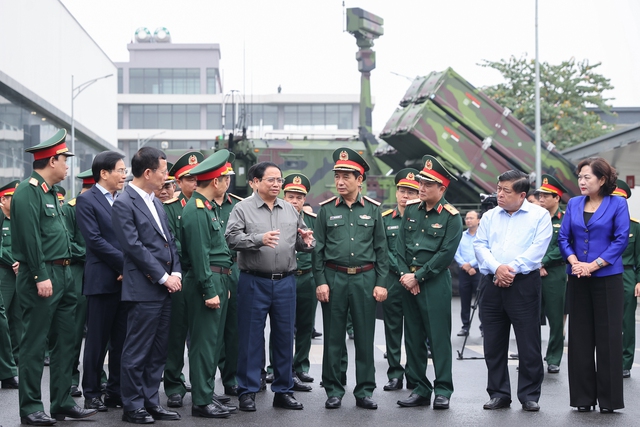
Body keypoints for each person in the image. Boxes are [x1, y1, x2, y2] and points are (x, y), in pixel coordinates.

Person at [11, 129, 97, 424]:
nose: (67, 165)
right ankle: (31, 408)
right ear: (51, 160)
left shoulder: (52, 194)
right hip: (43, 275)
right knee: (35, 343)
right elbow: (30, 238)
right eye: (64, 159)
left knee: (67, 340)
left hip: (64, 274)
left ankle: (61, 401)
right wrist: (39, 275)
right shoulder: (27, 191)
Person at [225, 161, 315, 412]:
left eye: (279, 180)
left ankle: (283, 390)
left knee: (285, 337)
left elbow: (300, 240)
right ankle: (248, 391)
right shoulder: (242, 209)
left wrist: (306, 241)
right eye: (271, 180)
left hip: (286, 281)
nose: (277, 184)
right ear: (254, 182)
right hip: (254, 280)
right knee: (251, 338)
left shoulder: (289, 209)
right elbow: (231, 238)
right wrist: (258, 239)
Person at [314, 147, 388, 410]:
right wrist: (320, 281)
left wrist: (381, 283)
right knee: (333, 339)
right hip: (334, 279)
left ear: (360, 180)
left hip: (365, 279)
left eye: (347, 176)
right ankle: (333, 389)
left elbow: (382, 251)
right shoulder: (325, 211)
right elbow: (317, 251)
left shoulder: (373, 210)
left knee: (365, 338)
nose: (340, 181)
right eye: (337, 176)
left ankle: (365, 390)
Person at [112, 147, 182, 423]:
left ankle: (151, 401)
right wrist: (164, 276)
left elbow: (170, 242)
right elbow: (133, 247)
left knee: (158, 350)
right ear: (149, 172)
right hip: (145, 287)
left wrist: (175, 271)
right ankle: (132, 405)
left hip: (165, 286)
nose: (167, 177)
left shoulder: (157, 202)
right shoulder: (124, 202)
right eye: (164, 171)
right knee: (137, 350)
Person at [474, 170, 552, 412]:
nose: (499, 194)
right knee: (494, 343)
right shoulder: (489, 216)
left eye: (506, 191)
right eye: (498, 188)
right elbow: (480, 245)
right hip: (491, 283)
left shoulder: (539, 216)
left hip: (524, 284)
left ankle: (529, 395)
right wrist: (498, 268)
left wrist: (511, 270)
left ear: (522, 195)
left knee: (528, 343)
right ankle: (498, 393)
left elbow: (537, 249)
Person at [558, 157, 629, 413]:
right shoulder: (574, 203)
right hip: (577, 277)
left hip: (607, 279)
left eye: (587, 177)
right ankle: (582, 398)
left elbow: (620, 240)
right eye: (580, 177)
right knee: (579, 338)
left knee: (608, 338)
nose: (582, 182)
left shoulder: (617, 204)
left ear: (602, 179)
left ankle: (609, 401)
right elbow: (564, 237)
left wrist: (594, 265)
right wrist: (575, 261)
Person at [394, 156, 462, 410]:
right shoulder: (411, 209)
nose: (421, 187)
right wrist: (405, 275)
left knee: (438, 338)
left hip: (433, 282)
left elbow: (446, 253)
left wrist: (418, 276)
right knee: (412, 337)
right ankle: (421, 388)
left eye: (428, 184)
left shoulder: (452, 217)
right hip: (408, 281)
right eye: (421, 182)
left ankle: (443, 389)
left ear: (442, 189)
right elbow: (399, 245)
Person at [181, 149, 237, 418]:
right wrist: (208, 289)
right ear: (215, 182)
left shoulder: (208, 208)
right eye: (224, 178)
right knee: (203, 344)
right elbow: (199, 256)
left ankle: (206, 393)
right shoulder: (197, 210)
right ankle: (201, 402)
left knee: (213, 343)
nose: (227, 182)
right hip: (207, 280)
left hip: (217, 278)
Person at [75, 152, 128, 412]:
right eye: (119, 170)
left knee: (122, 339)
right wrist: (124, 265)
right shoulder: (87, 201)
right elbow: (95, 241)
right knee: (97, 341)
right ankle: (92, 392)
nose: (124, 174)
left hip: (126, 280)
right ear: (103, 173)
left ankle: (115, 391)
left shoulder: (124, 199)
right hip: (103, 280)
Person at [162, 151, 203, 408]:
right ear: (178, 181)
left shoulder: (208, 205)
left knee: (202, 337)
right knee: (176, 335)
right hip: (181, 275)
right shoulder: (169, 209)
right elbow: (172, 245)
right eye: (189, 178)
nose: (195, 182)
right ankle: (174, 385)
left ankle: (202, 385)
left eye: (199, 177)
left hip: (203, 276)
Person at [381, 168, 419, 392]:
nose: (406, 196)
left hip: (416, 281)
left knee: (415, 331)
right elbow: (384, 251)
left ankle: (414, 374)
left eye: (412, 192)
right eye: (402, 191)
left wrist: (413, 276)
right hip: (394, 281)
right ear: (396, 193)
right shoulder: (386, 219)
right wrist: (403, 273)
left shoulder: (423, 219)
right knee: (393, 329)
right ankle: (395, 374)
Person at [212, 154, 243, 398]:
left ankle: (230, 377)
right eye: (223, 178)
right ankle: (204, 382)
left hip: (234, 271)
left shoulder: (238, 206)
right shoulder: (204, 205)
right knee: (209, 332)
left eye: (229, 178)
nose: (227, 182)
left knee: (233, 330)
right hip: (211, 272)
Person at [281, 173, 317, 385]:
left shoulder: (312, 220)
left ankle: (301, 366)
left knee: (305, 325)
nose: (295, 201)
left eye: (299, 197)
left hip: (306, 277)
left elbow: (318, 249)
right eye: (291, 196)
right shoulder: (276, 217)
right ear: (284, 197)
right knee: (281, 325)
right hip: (285, 277)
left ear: (304, 200)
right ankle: (275, 367)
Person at [62, 169, 93, 399]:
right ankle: (71, 380)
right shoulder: (71, 208)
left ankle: (98, 379)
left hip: (102, 273)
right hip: (78, 271)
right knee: (73, 331)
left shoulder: (111, 205)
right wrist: (92, 255)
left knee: (101, 331)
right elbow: (67, 242)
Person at [536, 174, 569, 374]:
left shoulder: (565, 219)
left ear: (557, 198)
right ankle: (531, 356)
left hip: (555, 272)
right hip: (533, 271)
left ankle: (554, 357)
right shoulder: (533, 218)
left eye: (546, 195)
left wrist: (543, 261)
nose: (541, 198)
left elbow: (565, 245)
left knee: (556, 318)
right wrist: (535, 263)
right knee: (530, 318)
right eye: (540, 195)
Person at [613, 179, 640, 379]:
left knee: (626, 321)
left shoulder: (635, 226)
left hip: (627, 274)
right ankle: (607, 359)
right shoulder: (600, 222)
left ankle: (625, 362)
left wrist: (639, 281)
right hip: (603, 273)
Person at [0, 180, 19, 390]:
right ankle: (7, 370)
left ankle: (14, 360)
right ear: (3, 199)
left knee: (17, 319)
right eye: (13, 199)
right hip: (4, 273)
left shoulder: (17, 220)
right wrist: (11, 261)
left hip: (18, 274)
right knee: (3, 322)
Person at [454, 210, 482, 337]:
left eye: (471, 218)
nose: (468, 220)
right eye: (467, 218)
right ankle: (465, 326)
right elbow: (456, 252)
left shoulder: (482, 236)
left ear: (478, 220)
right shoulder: (461, 235)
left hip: (478, 271)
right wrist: (465, 266)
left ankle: (484, 327)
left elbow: (483, 252)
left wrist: (471, 264)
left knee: (482, 300)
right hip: (464, 271)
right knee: (464, 299)